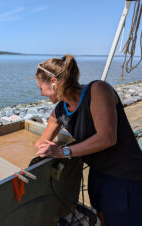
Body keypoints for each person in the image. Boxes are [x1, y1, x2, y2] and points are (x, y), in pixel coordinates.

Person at [34, 54, 142, 226]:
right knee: (102, 215)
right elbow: (40, 143)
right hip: (98, 173)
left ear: (54, 82)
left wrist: (62, 151)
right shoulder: (59, 111)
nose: (41, 94)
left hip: (125, 174)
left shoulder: (98, 90)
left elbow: (107, 137)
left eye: (41, 88)